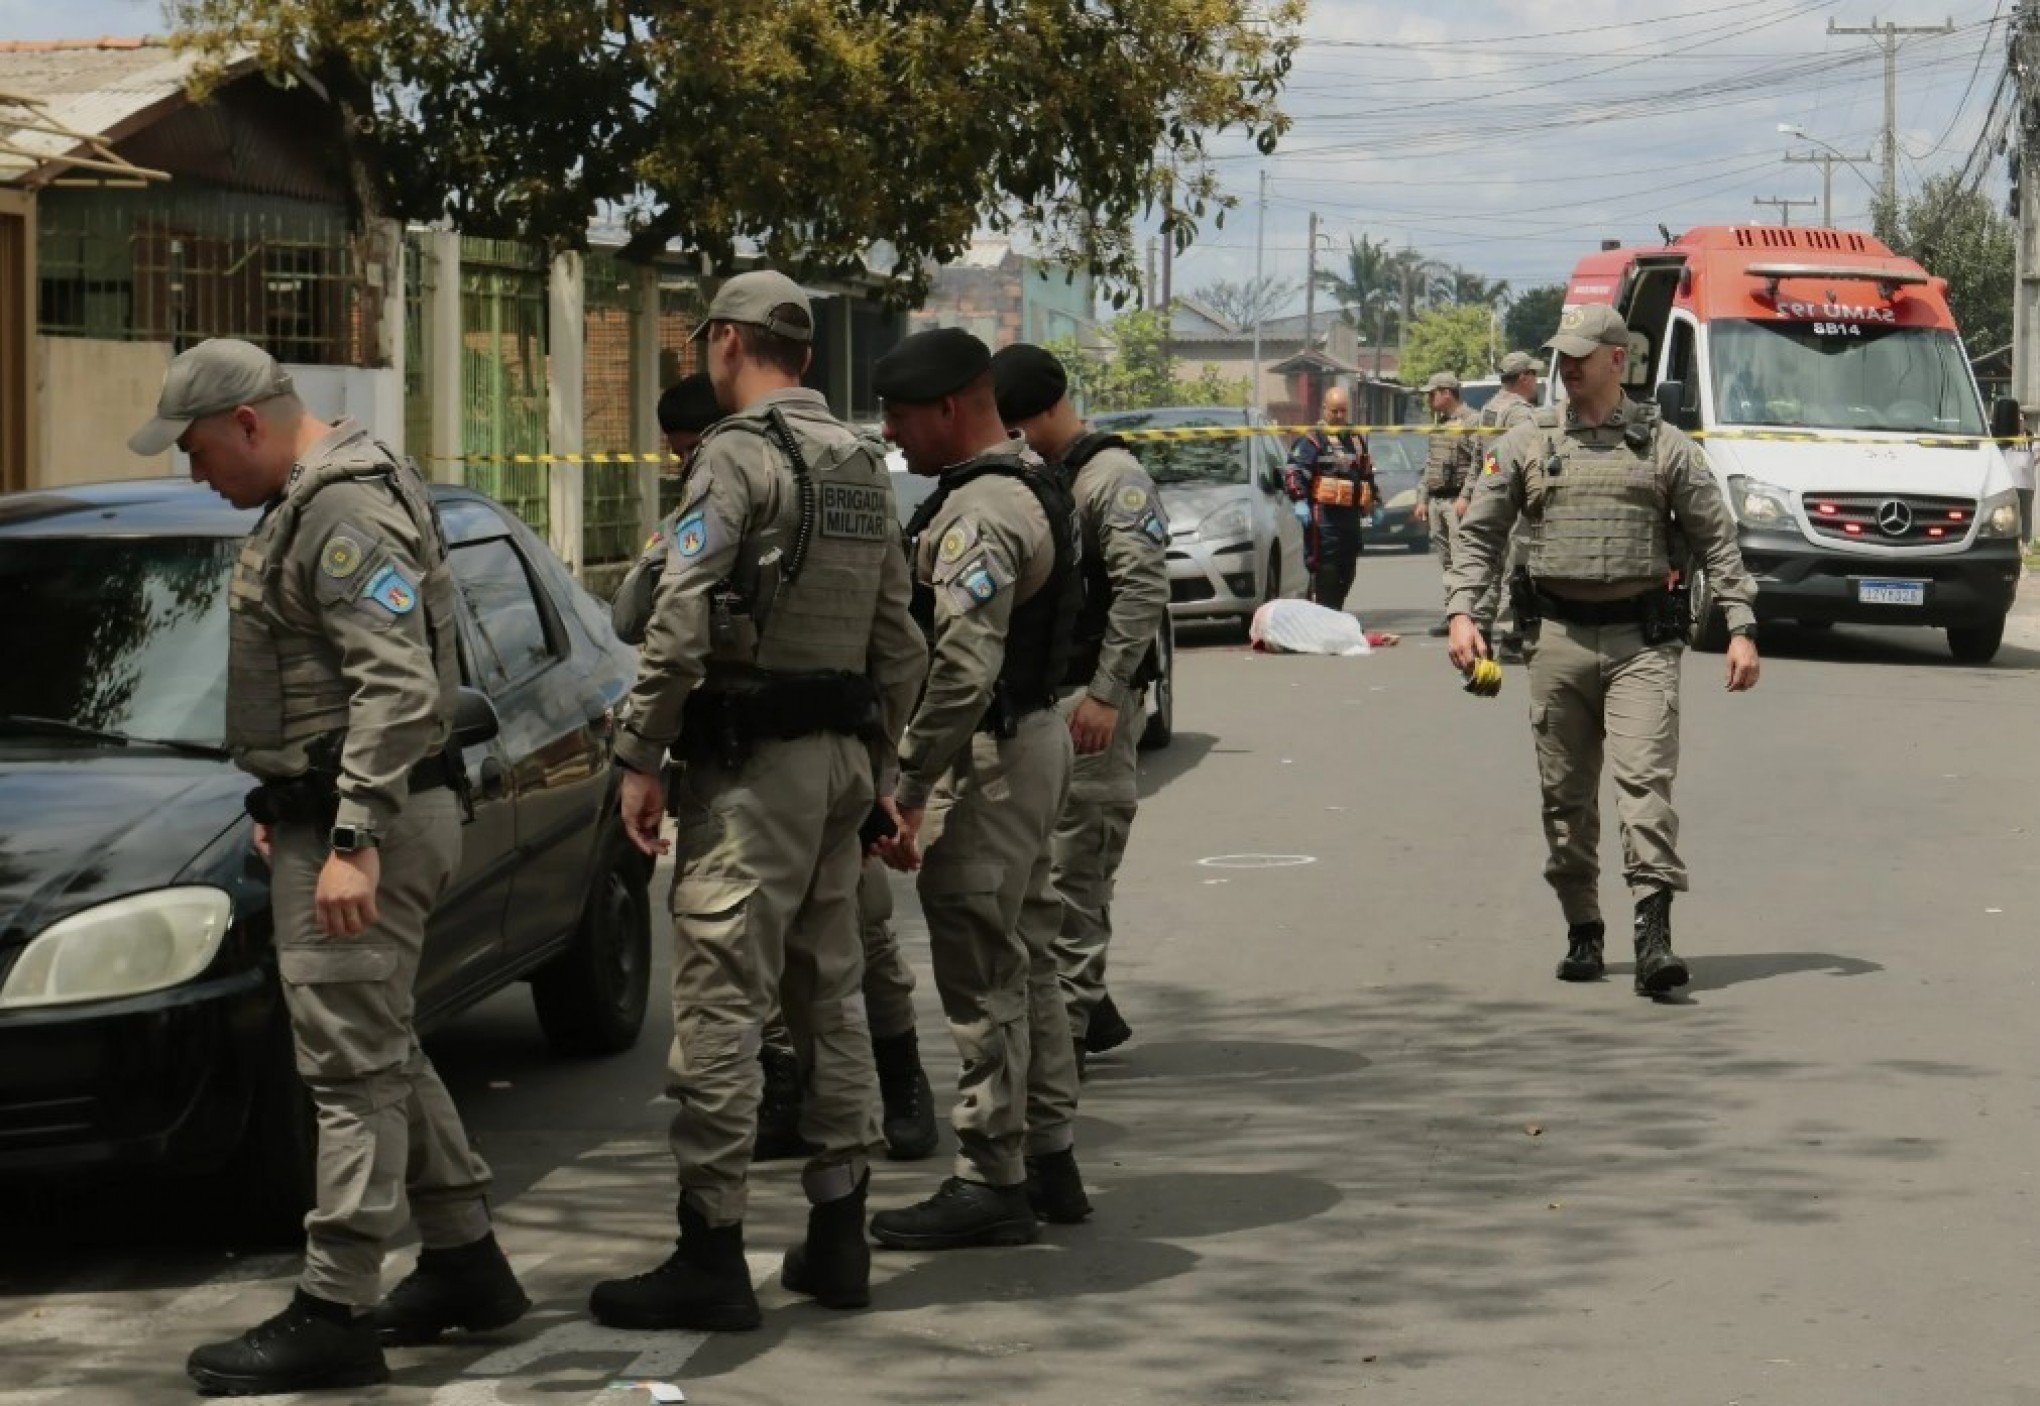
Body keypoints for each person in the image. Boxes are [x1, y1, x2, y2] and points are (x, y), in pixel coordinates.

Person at [131, 340, 526, 1395]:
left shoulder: (340, 510)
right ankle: (465, 1259)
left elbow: (397, 690)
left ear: (249, 423)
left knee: (348, 1076)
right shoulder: (317, 497)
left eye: (200, 448)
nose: (195, 471)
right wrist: (294, 802)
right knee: (383, 1045)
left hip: (377, 831)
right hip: (355, 816)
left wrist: (349, 837)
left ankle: (337, 1305)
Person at [593, 270, 929, 1329]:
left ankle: (712, 1248)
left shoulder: (735, 457)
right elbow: (901, 639)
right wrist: (879, 766)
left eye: (707, 343)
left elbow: (675, 615)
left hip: (753, 772)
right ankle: (838, 1236)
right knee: (826, 995)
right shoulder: (863, 464)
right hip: (839, 761)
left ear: (729, 343)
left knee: (722, 1004)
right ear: (809, 353)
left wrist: (639, 753)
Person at [1445, 305, 1762, 997]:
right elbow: (1480, 534)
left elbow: (1717, 539)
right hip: (1555, 641)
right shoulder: (1528, 441)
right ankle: (1583, 925)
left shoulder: (1665, 446)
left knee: (1644, 785)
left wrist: (1740, 622)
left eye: (1585, 353)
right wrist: (1462, 611)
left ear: (1619, 359)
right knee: (1565, 799)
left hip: (1640, 644)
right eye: (1565, 353)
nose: (1571, 364)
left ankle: (1654, 935)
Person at [865, 327, 1089, 1249]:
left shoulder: (981, 512)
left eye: (901, 417)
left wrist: (912, 781)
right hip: (1023, 742)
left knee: (984, 967)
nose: (892, 437)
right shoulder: (1024, 481)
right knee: (1026, 955)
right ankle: (1048, 1156)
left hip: (989, 757)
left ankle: (993, 1172)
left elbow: (962, 664)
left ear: (951, 408)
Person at [990, 342, 1170, 1069]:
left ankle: (1062, 1040)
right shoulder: (1045, 474)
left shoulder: (1114, 479)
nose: (1010, 439)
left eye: (1014, 425)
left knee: (1077, 871)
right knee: (1041, 872)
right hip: (1043, 699)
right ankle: (1084, 1008)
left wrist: (1105, 694)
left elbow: (1140, 590)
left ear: (1040, 412)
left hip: (1090, 703)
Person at [1459, 351, 1542, 658]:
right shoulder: (1521, 414)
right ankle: (1511, 636)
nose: (1535, 382)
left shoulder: (1489, 409)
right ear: (1523, 378)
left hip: (1491, 491)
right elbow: (1527, 458)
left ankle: (1481, 627)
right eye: (1533, 375)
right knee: (1516, 569)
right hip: (1516, 497)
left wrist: (1469, 493)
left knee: (1489, 565)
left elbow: (1482, 460)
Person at [1283, 386, 1375, 612]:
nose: (1339, 417)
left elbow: (1366, 472)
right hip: (1324, 520)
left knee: (1347, 570)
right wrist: (1299, 500)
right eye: (1335, 411)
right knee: (1327, 572)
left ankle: (1335, 615)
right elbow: (1294, 471)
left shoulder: (1354, 439)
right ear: (1325, 409)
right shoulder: (1312, 439)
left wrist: (1373, 499)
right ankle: (1325, 618)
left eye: (1343, 411)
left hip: (1350, 519)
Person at [1415, 370, 1481, 636]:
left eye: (1432, 394)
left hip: (1457, 501)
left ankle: (1470, 615)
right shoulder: (1439, 424)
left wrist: (1466, 496)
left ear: (1446, 393)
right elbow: (1430, 464)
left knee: (1463, 561)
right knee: (1447, 563)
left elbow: (1480, 462)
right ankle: (1453, 613)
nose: (1429, 400)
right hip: (1437, 501)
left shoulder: (1471, 421)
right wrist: (1422, 498)